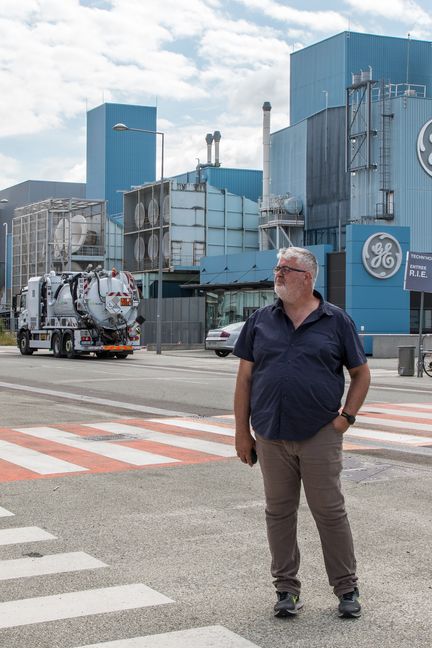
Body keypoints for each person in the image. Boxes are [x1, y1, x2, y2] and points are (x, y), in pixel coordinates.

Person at [233, 246, 370, 619]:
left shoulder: (335, 321)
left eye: (285, 269)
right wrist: (241, 433)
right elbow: (244, 379)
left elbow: (361, 374)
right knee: (278, 512)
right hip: (271, 434)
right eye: (277, 268)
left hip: (319, 433)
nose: (277, 274)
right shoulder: (260, 320)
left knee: (329, 511)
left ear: (307, 277)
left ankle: (346, 588)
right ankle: (286, 590)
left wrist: (346, 419)